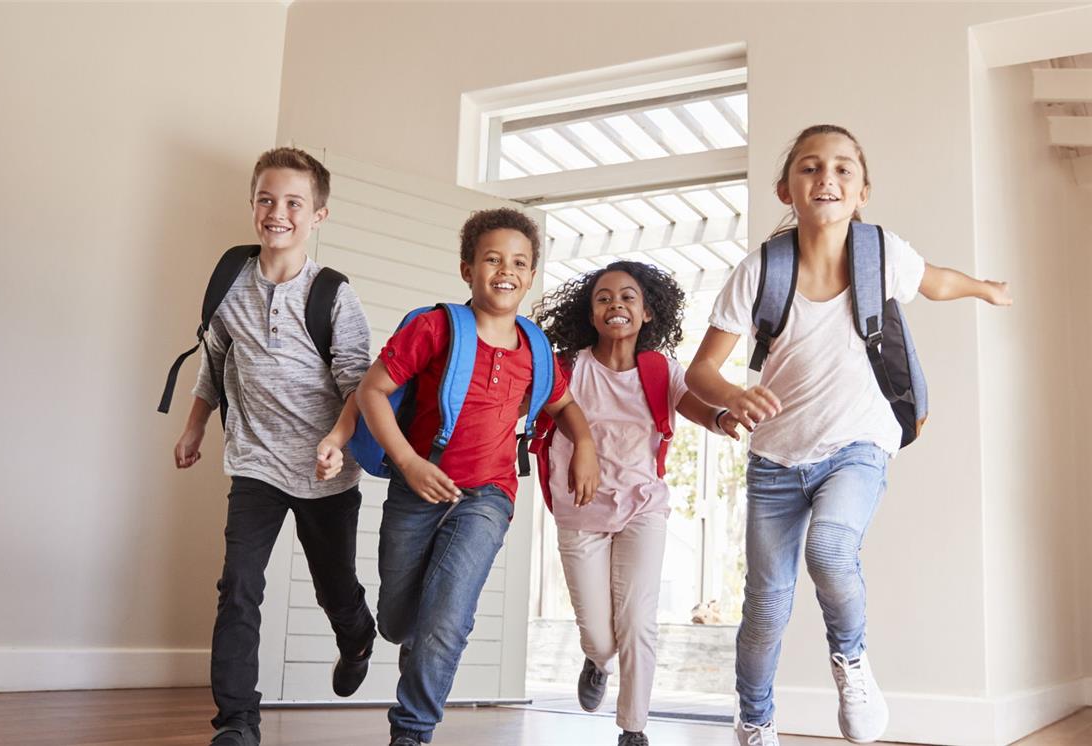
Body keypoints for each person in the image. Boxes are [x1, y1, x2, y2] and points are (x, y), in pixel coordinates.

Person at [685, 125, 1012, 746]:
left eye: (842, 168)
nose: (826, 178)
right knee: (765, 610)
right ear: (786, 188)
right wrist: (732, 396)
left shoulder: (881, 253)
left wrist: (984, 288)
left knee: (831, 551)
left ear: (863, 191)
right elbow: (701, 370)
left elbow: (936, 281)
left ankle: (852, 662)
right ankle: (753, 720)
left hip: (858, 444)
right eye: (810, 168)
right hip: (775, 460)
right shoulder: (760, 269)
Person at [355, 208, 600, 746]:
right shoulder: (435, 327)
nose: (505, 270)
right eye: (492, 259)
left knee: (449, 616)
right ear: (467, 268)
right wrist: (410, 463)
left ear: (532, 274)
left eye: (519, 262)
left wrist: (583, 441)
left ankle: (412, 732)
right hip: (418, 488)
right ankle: (407, 643)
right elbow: (370, 392)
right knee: (399, 621)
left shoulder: (536, 348)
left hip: (488, 495)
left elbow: (565, 405)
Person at [172, 147, 375, 746]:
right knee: (238, 586)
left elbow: (360, 385)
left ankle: (356, 631)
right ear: (252, 204)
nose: (277, 212)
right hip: (255, 462)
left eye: (293, 202)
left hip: (324, 470)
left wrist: (338, 441)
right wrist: (194, 425)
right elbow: (215, 358)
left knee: (332, 583)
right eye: (266, 199)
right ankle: (238, 722)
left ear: (319, 215)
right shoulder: (229, 279)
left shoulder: (333, 294)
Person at [533, 261, 739, 746]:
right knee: (601, 637)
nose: (616, 305)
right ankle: (597, 661)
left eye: (628, 297)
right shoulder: (568, 367)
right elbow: (537, 410)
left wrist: (723, 417)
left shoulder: (660, 369)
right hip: (580, 509)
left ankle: (633, 728)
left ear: (648, 313)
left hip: (643, 506)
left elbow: (695, 406)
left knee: (638, 619)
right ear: (591, 313)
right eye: (604, 298)